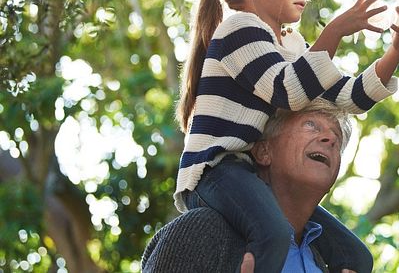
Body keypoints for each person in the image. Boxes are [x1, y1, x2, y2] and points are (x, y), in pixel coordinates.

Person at [174, 0, 399, 273]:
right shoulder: (238, 30)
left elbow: (348, 97)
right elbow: (286, 90)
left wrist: (394, 53)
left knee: (356, 257)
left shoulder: (290, 46)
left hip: (250, 174)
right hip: (216, 170)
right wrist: (334, 32)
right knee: (272, 233)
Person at [142, 100, 360, 272]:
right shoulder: (201, 231)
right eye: (311, 125)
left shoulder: (327, 262)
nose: (330, 139)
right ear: (263, 151)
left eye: (337, 139)